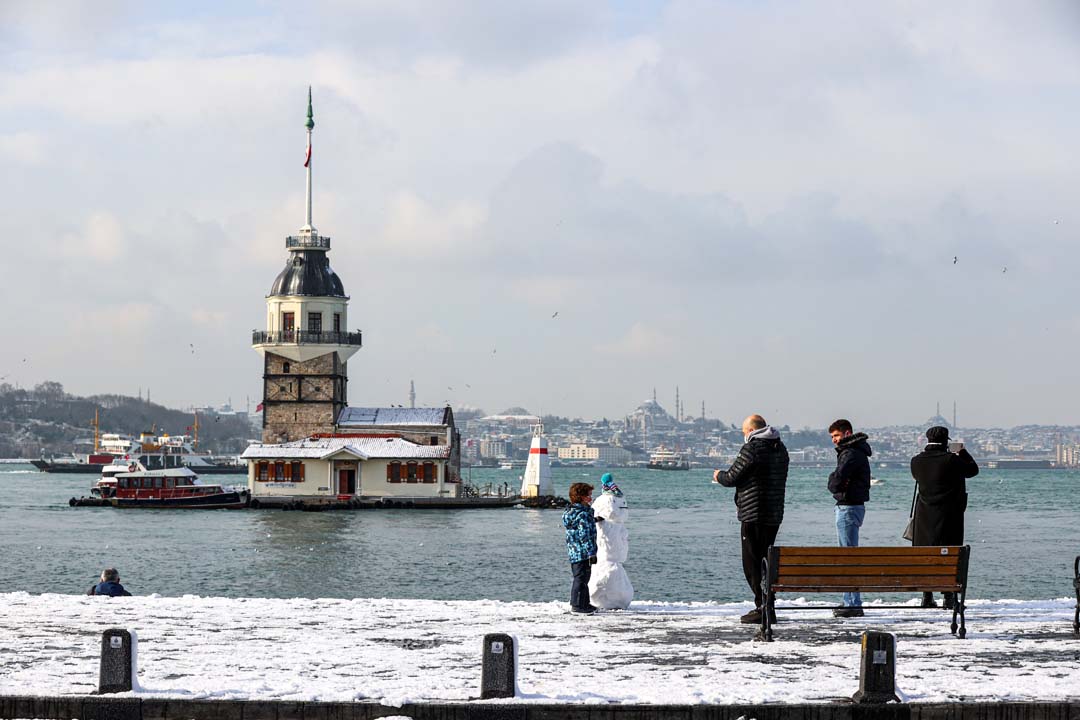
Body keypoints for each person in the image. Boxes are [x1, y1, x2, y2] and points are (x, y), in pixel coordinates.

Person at [712, 414, 790, 624]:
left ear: (752, 431)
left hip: (753, 514)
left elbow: (732, 477)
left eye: (744, 431)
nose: (743, 435)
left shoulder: (753, 448)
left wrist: (718, 475)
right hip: (774, 514)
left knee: (752, 564)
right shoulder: (780, 449)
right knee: (766, 561)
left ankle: (762, 607)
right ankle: (768, 606)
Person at [910, 426, 979, 609]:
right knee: (949, 555)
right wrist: (962, 452)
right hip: (950, 516)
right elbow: (973, 470)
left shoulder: (916, 461)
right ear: (946, 441)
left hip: (923, 516)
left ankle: (927, 596)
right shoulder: (951, 460)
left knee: (925, 555)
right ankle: (949, 597)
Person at [826, 419, 872, 618]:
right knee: (849, 553)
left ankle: (853, 603)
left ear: (847, 433)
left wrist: (833, 482)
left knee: (848, 555)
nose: (834, 441)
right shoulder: (856, 452)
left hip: (848, 507)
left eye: (836, 436)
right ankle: (850, 600)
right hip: (854, 506)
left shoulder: (850, 453)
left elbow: (836, 479)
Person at [588, 473, 634, 610]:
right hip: (615, 544)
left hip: (606, 542)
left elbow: (599, 513)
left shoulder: (604, 500)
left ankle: (599, 599)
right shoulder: (620, 497)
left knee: (603, 569)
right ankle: (619, 598)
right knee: (613, 567)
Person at [562, 482, 599, 614]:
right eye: (588, 495)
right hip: (583, 552)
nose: (591, 498)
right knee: (581, 579)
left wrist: (594, 520)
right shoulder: (583, 514)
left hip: (574, 551)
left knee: (583, 578)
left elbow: (579, 526)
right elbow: (585, 535)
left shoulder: (572, 512)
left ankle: (584, 603)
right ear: (581, 497)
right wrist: (591, 553)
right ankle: (577, 605)